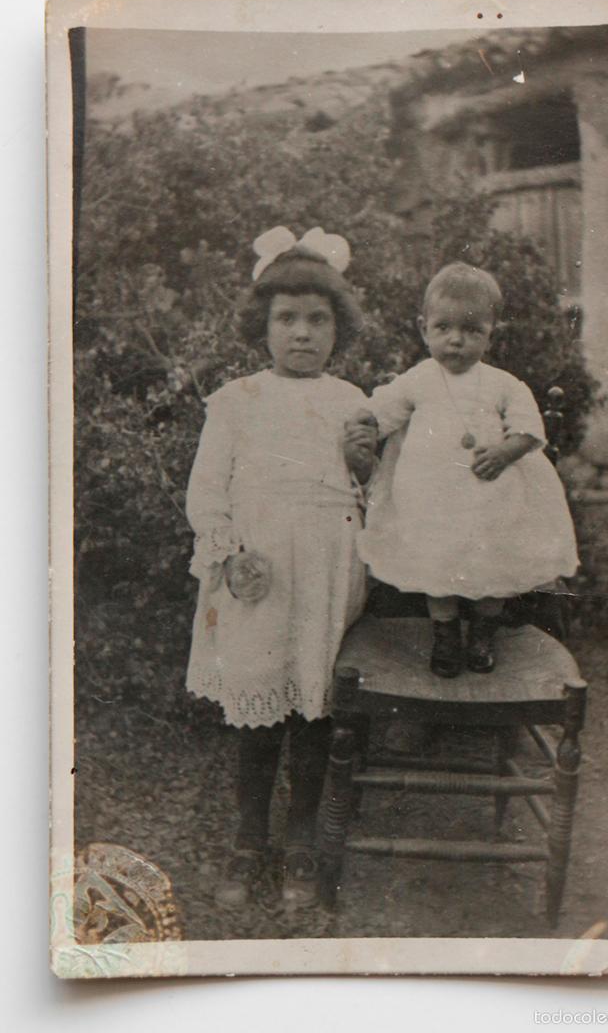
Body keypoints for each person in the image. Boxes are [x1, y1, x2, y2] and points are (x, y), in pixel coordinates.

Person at [185, 227, 376, 909]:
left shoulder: (354, 402)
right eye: (286, 319)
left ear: (338, 328)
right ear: (261, 326)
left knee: (313, 708)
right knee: (258, 710)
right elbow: (207, 492)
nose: (302, 334)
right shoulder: (237, 401)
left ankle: (300, 841)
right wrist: (228, 553)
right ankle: (249, 839)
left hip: (327, 572)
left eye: (317, 320)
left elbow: (368, 493)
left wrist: (367, 467)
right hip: (256, 577)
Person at [350, 262, 578, 678]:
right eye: (444, 328)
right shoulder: (418, 380)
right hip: (432, 504)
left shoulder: (502, 384)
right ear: (424, 328)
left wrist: (506, 451)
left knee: (490, 574)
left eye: (472, 331)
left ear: (491, 333)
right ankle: (446, 637)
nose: (456, 340)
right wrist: (363, 424)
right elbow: (381, 411)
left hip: (488, 505)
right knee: (438, 573)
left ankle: (483, 635)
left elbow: (530, 429)